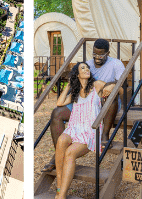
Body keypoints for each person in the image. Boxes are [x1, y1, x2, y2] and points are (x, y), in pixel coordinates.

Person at [51, 62, 122, 199]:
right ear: (77, 74)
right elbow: (59, 103)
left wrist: (111, 87)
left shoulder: (96, 85)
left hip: (90, 130)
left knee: (69, 153)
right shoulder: (75, 92)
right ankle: (59, 187)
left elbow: (118, 87)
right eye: (83, 68)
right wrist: (69, 85)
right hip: (74, 128)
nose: (87, 69)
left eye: (87, 68)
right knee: (61, 140)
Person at [42, 38, 124, 172]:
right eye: (95, 54)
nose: (97, 57)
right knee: (56, 113)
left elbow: (123, 87)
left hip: (105, 102)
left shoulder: (116, 64)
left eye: (101, 55)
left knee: (109, 95)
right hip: (85, 101)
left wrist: (113, 85)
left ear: (108, 53)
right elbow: (77, 82)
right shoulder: (88, 65)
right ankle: (58, 154)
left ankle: (104, 135)